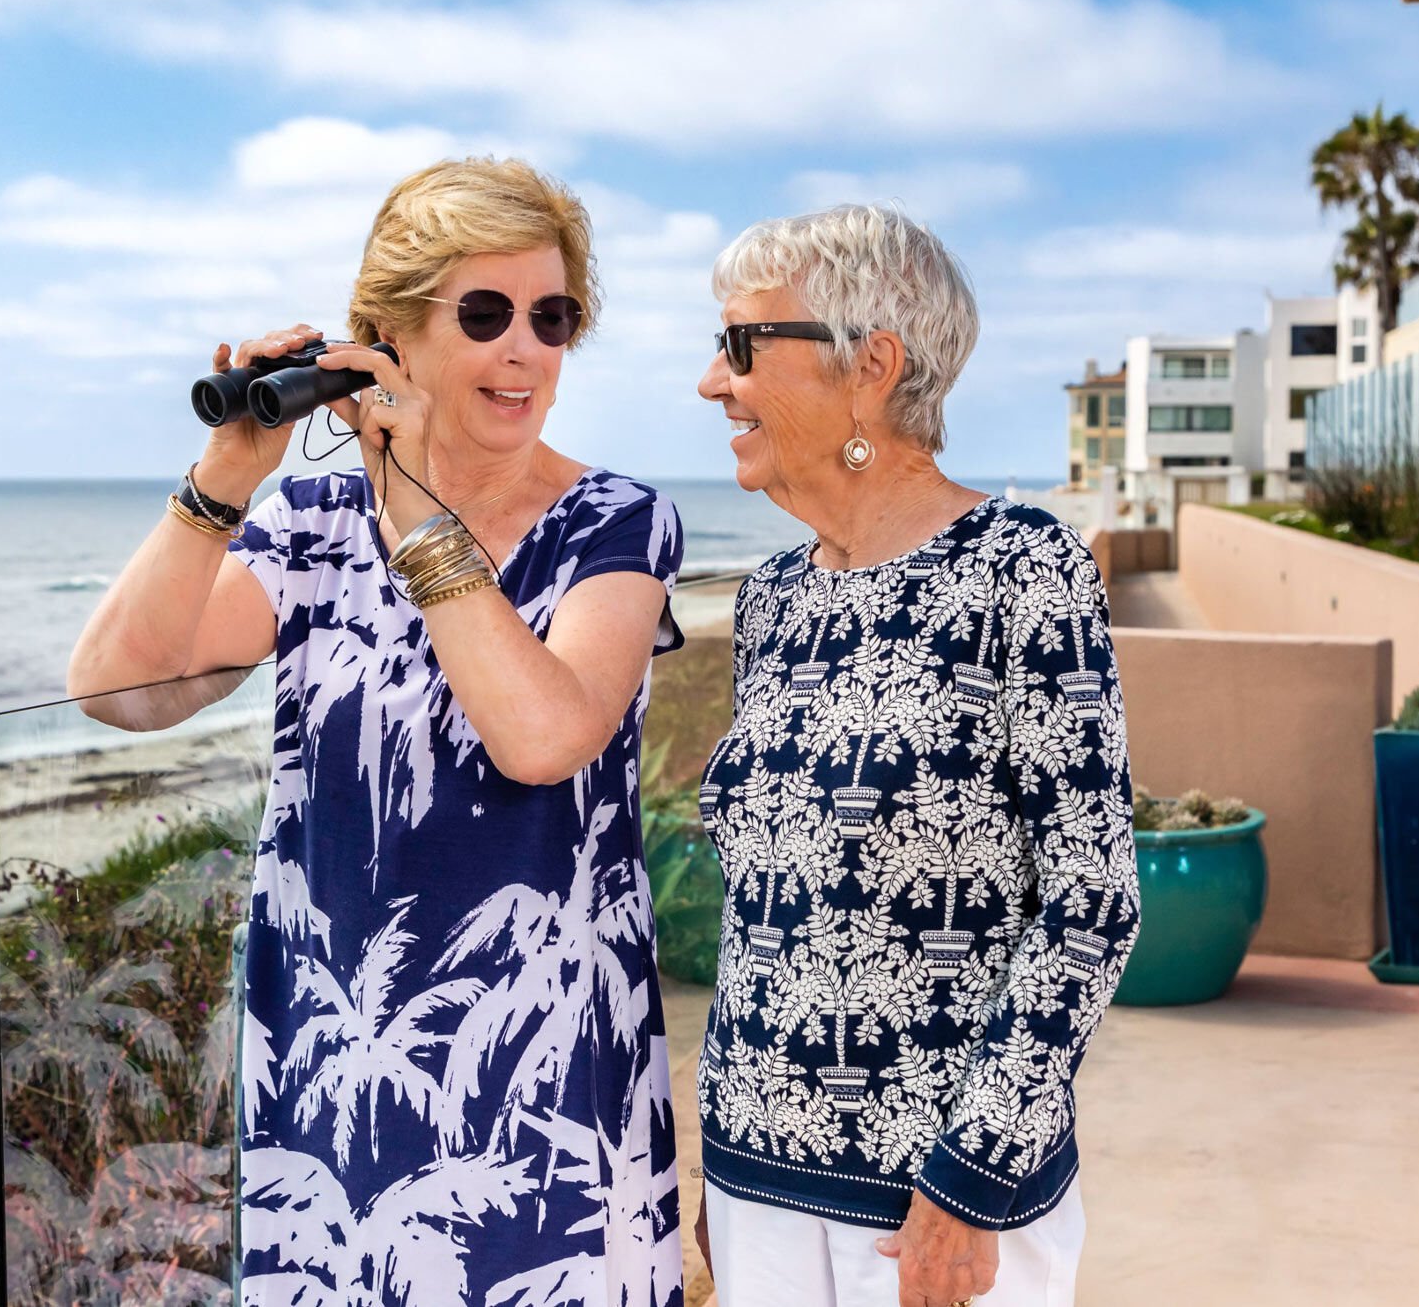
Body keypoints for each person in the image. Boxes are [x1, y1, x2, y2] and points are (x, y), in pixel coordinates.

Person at [68, 158, 686, 1305]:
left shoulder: (613, 521)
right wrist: (224, 477)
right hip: (334, 1059)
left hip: (540, 1075)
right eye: (487, 314)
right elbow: (121, 688)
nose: (525, 351)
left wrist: (411, 507)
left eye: (551, 318)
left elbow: (541, 738)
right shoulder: (309, 523)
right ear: (390, 334)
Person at [690, 206, 1139, 1307]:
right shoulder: (773, 601)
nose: (713, 382)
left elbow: (1089, 902)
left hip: (936, 1211)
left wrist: (974, 1175)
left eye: (744, 346)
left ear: (868, 368)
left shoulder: (1018, 571)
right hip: (756, 1186)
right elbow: (764, 910)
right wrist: (720, 1150)